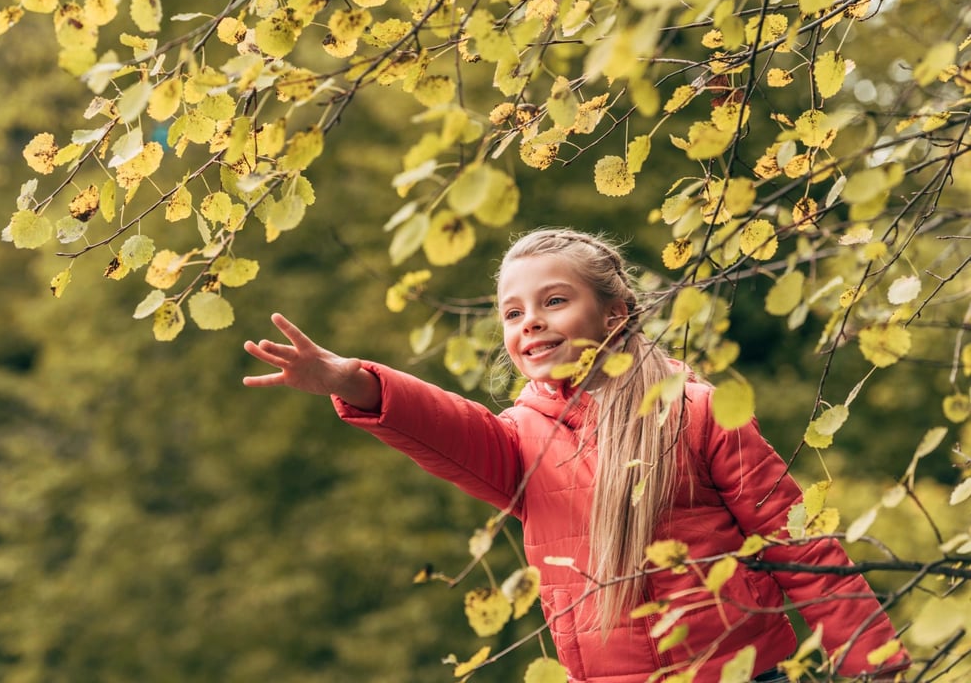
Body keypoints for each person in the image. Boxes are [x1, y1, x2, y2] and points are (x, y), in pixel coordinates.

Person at [243, 227, 910, 683]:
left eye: (553, 301)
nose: (528, 321)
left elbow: (797, 543)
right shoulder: (518, 443)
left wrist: (873, 658)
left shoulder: (694, 410)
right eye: (511, 312)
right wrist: (351, 381)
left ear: (614, 313)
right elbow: (440, 424)